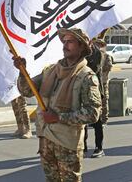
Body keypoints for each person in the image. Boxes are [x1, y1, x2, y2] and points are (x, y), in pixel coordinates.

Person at [13, 28, 101, 181]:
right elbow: (27, 91)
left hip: (68, 143)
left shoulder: (86, 77)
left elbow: (93, 113)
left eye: (70, 42)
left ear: (81, 47)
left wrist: (59, 117)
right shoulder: (51, 70)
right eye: (64, 41)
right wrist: (22, 71)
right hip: (46, 140)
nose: (65, 45)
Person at [85, 39, 112, 158]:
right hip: (81, 92)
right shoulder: (80, 54)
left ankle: (99, 148)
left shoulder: (98, 54)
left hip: (95, 91)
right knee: (82, 122)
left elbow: (94, 68)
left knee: (97, 121)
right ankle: (83, 145)